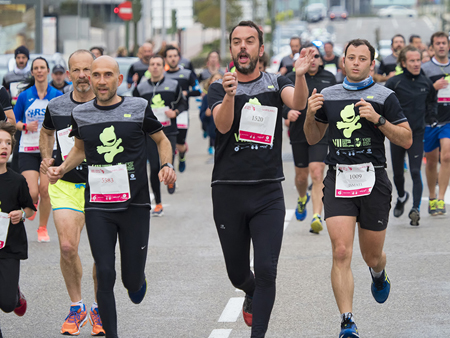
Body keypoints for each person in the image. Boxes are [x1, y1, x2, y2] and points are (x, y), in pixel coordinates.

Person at [47, 55, 176, 338]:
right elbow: (79, 150)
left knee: (131, 284)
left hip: (135, 205)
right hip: (98, 206)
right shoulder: (80, 114)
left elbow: (162, 140)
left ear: (118, 80)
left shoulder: (138, 107)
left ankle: (136, 279)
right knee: (104, 272)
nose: (101, 81)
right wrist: (60, 168)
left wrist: (166, 165)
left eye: (108, 75)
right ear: (89, 79)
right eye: (96, 75)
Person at [208, 20, 313, 337]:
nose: (243, 47)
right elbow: (223, 127)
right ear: (231, 49)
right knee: (238, 273)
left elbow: (298, 102)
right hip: (228, 191)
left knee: (267, 271)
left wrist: (299, 75)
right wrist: (229, 95)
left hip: (267, 191)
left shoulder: (275, 82)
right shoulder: (219, 86)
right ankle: (248, 290)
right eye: (237, 41)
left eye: (250, 41)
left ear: (260, 49)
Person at [304, 38, 412, 338]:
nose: (355, 62)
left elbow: (406, 139)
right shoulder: (328, 95)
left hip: (373, 179)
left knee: (371, 256)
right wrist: (311, 113)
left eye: (362, 58)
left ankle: (378, 274)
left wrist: (378, 120)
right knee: (340, 251)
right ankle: (347, 321)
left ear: (371, 64)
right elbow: (313, 138)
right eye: (350, 57)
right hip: (339, 177)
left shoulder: (384, 95)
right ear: (342, 62)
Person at [39, 49, 105, 336]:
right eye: (76, 70)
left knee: (102, 255)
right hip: (66, 185)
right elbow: (46, 132)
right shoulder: (56, 106)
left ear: (97, 72)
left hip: (102, 185)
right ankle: (77, 307)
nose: (82, 76)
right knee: (67, 248)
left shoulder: (108, 105)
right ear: (68, 74)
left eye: (87, 70)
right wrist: (47, 159)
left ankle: (99, 308)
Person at [284, 43, 336, 233]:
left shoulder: (329, 78)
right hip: (298, 132)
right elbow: (282, 103)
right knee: (301, 176)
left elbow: (335, 103)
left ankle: (316, 215)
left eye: (314, 56)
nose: (310, 60)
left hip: (321, 132)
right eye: (305, 56)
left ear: (320, 59)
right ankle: (301, 198)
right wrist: (287, 113)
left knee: (316, 172)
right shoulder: (290, 78)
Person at [385, 45, 437, 226]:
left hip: (417, 133)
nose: (416, 64)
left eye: (418, 60)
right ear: (403, 62)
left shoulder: (426, 82)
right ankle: (401, 196)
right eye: (412, 61)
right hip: (398, 134)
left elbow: (431, 102)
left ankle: (415, 209)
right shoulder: (394, 83)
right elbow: (384, 105)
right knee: (398, 174)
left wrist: (431, 118)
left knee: (415, 171)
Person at [14, 57, 63, 243]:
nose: (40, 71)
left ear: (48, 71)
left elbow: (64, 121)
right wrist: (26, 127)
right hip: (28, 148)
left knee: (46, 190)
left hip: (50, 150)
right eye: (36, 68)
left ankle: (42, 228)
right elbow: (14, 121)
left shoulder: (57, 95)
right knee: (32, 192)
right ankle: (32, 204)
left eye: (42, 67)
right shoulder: (25, 96)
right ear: (33, 72)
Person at [133, 54, 186, 212]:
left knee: (168, 161)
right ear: (149, 68)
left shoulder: (173, 84)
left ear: (164, 67)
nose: (155, 66)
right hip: (150, 134)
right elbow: (134, 108)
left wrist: (175, 112)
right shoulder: (141, 88)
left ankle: (170, 176)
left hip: (169, 131)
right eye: (152, 64)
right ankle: (158, 202)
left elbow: (183, 104)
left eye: (158, 64)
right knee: (155, 167)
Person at [0, 121, 36, 338]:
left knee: (5, 304)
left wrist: (21, 215)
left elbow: (30, 209)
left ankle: (14, 294)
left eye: (7, 143)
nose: (4, 147)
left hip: (10, 246)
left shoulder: (17, 180)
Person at [421, 31, 450, 216]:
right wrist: (433, 87)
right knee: (431, 161)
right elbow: (420, 93)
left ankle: (441, 198)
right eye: (437, 43)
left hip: (448, 118)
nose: (441, 46)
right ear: (432, 47)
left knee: (447, 156)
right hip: (430, 119)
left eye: (444, 43)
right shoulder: (425, 68)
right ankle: (432, 197)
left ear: (448, 46)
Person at [164, 45, 202, 174]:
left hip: (182, 113)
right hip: (166, 114)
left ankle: (182, 156)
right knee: (168, 145)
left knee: (180, 145)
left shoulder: (187, 74)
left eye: (175, 56)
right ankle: (170, 172)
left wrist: (186, 93)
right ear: (166, 59)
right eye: (170, 56)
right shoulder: (162, 76)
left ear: (179, 58)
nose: (173, 59)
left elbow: (198, 91)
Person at [199, 73, 222, 154]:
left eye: (220, 79)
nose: (217, 81)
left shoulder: (227, 97)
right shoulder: (206, 98)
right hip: (212, 131)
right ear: (210, 82)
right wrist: (206, 114)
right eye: (215, 79)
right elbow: (202, 117)